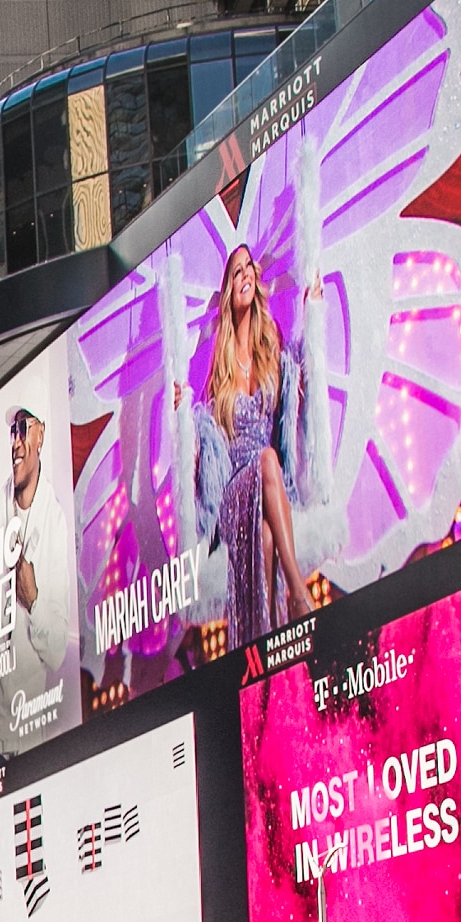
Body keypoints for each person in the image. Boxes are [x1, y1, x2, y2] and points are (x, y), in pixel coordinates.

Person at [187, 243, 312, 640]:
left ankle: (271, 634)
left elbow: (299, 380)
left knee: (268, 533)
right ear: (229, 290)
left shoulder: (269, 352)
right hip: (234, 493)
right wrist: (181, 413)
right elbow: (205, 435)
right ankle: (297, 592)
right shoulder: (219, 367)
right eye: (236, 272)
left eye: (248, 270)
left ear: (256, 283)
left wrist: (314, 313)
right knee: (267, 460)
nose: (243, 276)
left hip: (268, 489)